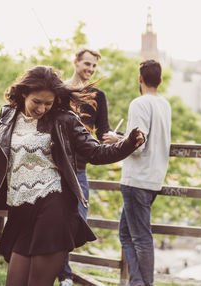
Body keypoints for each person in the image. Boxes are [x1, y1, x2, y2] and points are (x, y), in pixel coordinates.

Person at [0, 65, 144, 286]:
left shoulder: (63, 119)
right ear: (24, 93)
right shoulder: (7, 115)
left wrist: (128, 143)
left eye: (48, 103)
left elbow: (96, 152)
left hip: (54, 206)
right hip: (20, 210)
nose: (42, 108)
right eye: (37, 102)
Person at [59, 48, 121, 285]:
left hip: (81, 168)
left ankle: (59, 269)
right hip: (59, 166)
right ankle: (64, 276)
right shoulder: (61, 92)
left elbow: (104, 131)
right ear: (75, 62)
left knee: (77, 222)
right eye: (87, 64)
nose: (90, 69)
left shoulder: (98, 95)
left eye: (94, 66)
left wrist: (118, 138)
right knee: (59, 222)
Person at [118, 60, 171, 286]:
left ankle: (144, 284)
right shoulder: (164, 104)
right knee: (126, 234)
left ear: (140, 79)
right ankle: (137, 282)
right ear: (159, 80)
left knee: (140, 238)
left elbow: (138, 145)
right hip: (154, 177)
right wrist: (122, 138)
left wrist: (118, 141)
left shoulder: (139, 103)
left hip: (136, 178)